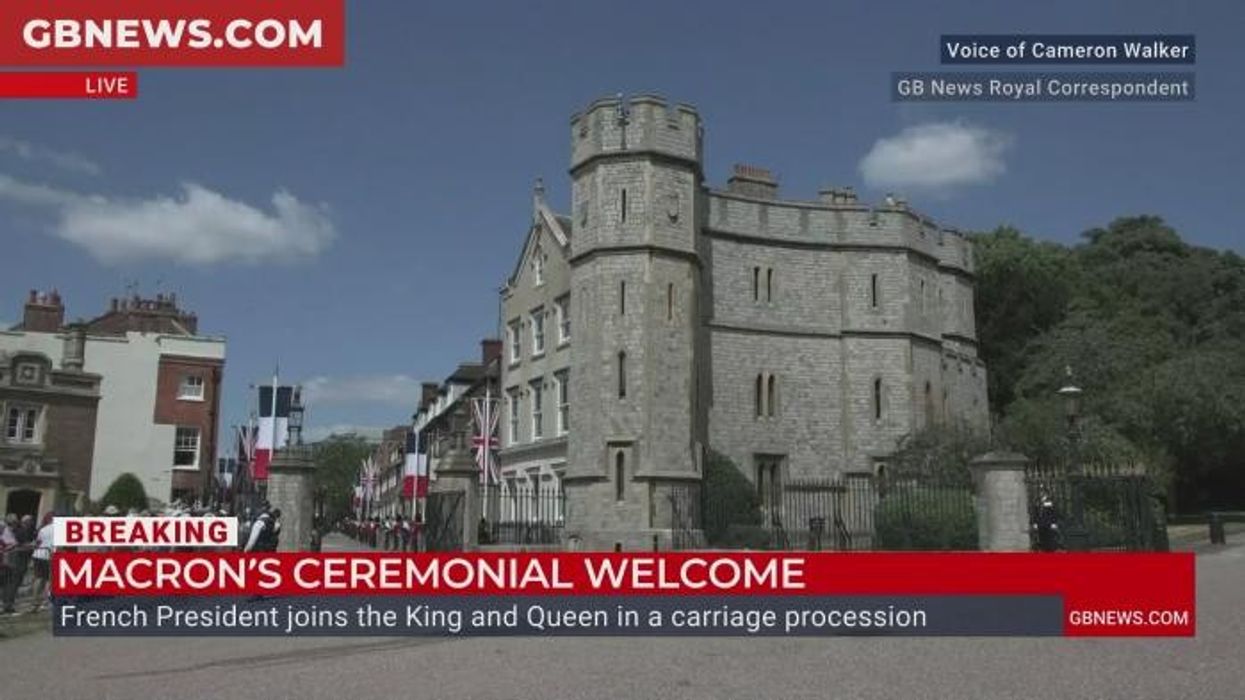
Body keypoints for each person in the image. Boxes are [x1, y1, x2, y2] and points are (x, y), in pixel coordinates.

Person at [29, 513, 54, 612]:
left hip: (38, 554)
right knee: (49, 579)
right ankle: (46, 602)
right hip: (50, 555)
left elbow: (38, 542)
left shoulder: (43, 529)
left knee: (39, 578)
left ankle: (35, 602)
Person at [0, 515, 18, 615]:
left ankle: (4, 605)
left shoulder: (2, 539)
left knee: (4, 586)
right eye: (2, 529)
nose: (3, 530)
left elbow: (9, 544)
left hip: (3, 565)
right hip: (2, 565)